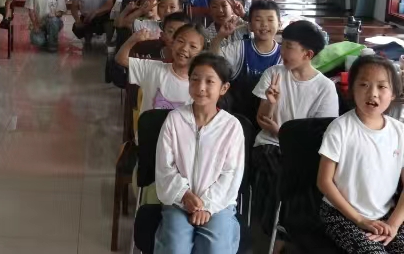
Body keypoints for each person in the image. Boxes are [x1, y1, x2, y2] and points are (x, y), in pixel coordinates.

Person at [251, 20, 338, 244]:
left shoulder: (325, 88)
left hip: (303, 151)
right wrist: (271, 103)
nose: (282, 50)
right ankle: (275, 235)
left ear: (307, 54)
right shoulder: (273, 73)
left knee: (310, 178)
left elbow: (320, 135)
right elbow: (262, 120)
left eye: (289, 46)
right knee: (275, 172)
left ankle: (295, 232)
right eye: (283, 44)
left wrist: (283, 132)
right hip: (269, 144)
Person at [154, 52, 244, 254]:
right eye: (195, 79)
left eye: (209, 81)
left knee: (215, 248)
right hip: (178, 201)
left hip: (218, 204)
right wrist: (184, 195)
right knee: (176, 248)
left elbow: (231, 173)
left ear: (224, 88)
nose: (200, 87)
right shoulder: (175, 120)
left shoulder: (231, 127)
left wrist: (207, 206)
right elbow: (164, 167)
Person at [317, 56, 404, 253]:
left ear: (393, 93)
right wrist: (360, 220)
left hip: (385, 214)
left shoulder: (400, 132)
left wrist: (393, 224)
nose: (372, 93)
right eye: (364, 85)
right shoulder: (340, 128)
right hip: (341, 215)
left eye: (382, 86)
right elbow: (324, 181)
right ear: (351, 89)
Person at [115, 23, 207, 120]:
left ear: (201, 53)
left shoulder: (200, 85)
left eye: (193, 46)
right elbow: (121, 58)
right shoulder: (153, 68)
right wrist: (134, 39)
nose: (184, 48)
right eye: (180, 41)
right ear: (172, 43)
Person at [212, 0, 281, 122]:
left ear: (279, 24)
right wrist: (220, 36)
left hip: (270, 118)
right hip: (237, 118)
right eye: (258, 20)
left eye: (270, 20)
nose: (264, 24)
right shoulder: (240, 48)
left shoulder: (284, 55)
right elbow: (213, 62)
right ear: (250, 26)